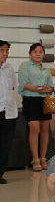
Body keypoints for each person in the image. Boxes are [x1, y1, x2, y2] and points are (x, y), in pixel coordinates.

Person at [18, 42, 53, 171]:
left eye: (40, 52)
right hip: (30, 100)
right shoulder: (25, 66)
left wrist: (48, 89)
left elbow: (51, 87)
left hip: (44, 101)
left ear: (44, 54)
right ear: (30, 54)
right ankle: (35, 158)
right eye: (35, 52)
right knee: (34, 128)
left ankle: (43, 158)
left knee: (45, 129)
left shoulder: (47, 70)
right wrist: (40, 89)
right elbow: (24, 84)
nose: (38, 54)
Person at [0, 40, 16, 184]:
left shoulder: (9, 68)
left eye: (7, 51)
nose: (6, 54)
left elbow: (13, 87)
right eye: (2, 50)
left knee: (5, 144)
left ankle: (0, 173)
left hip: (9, 112)